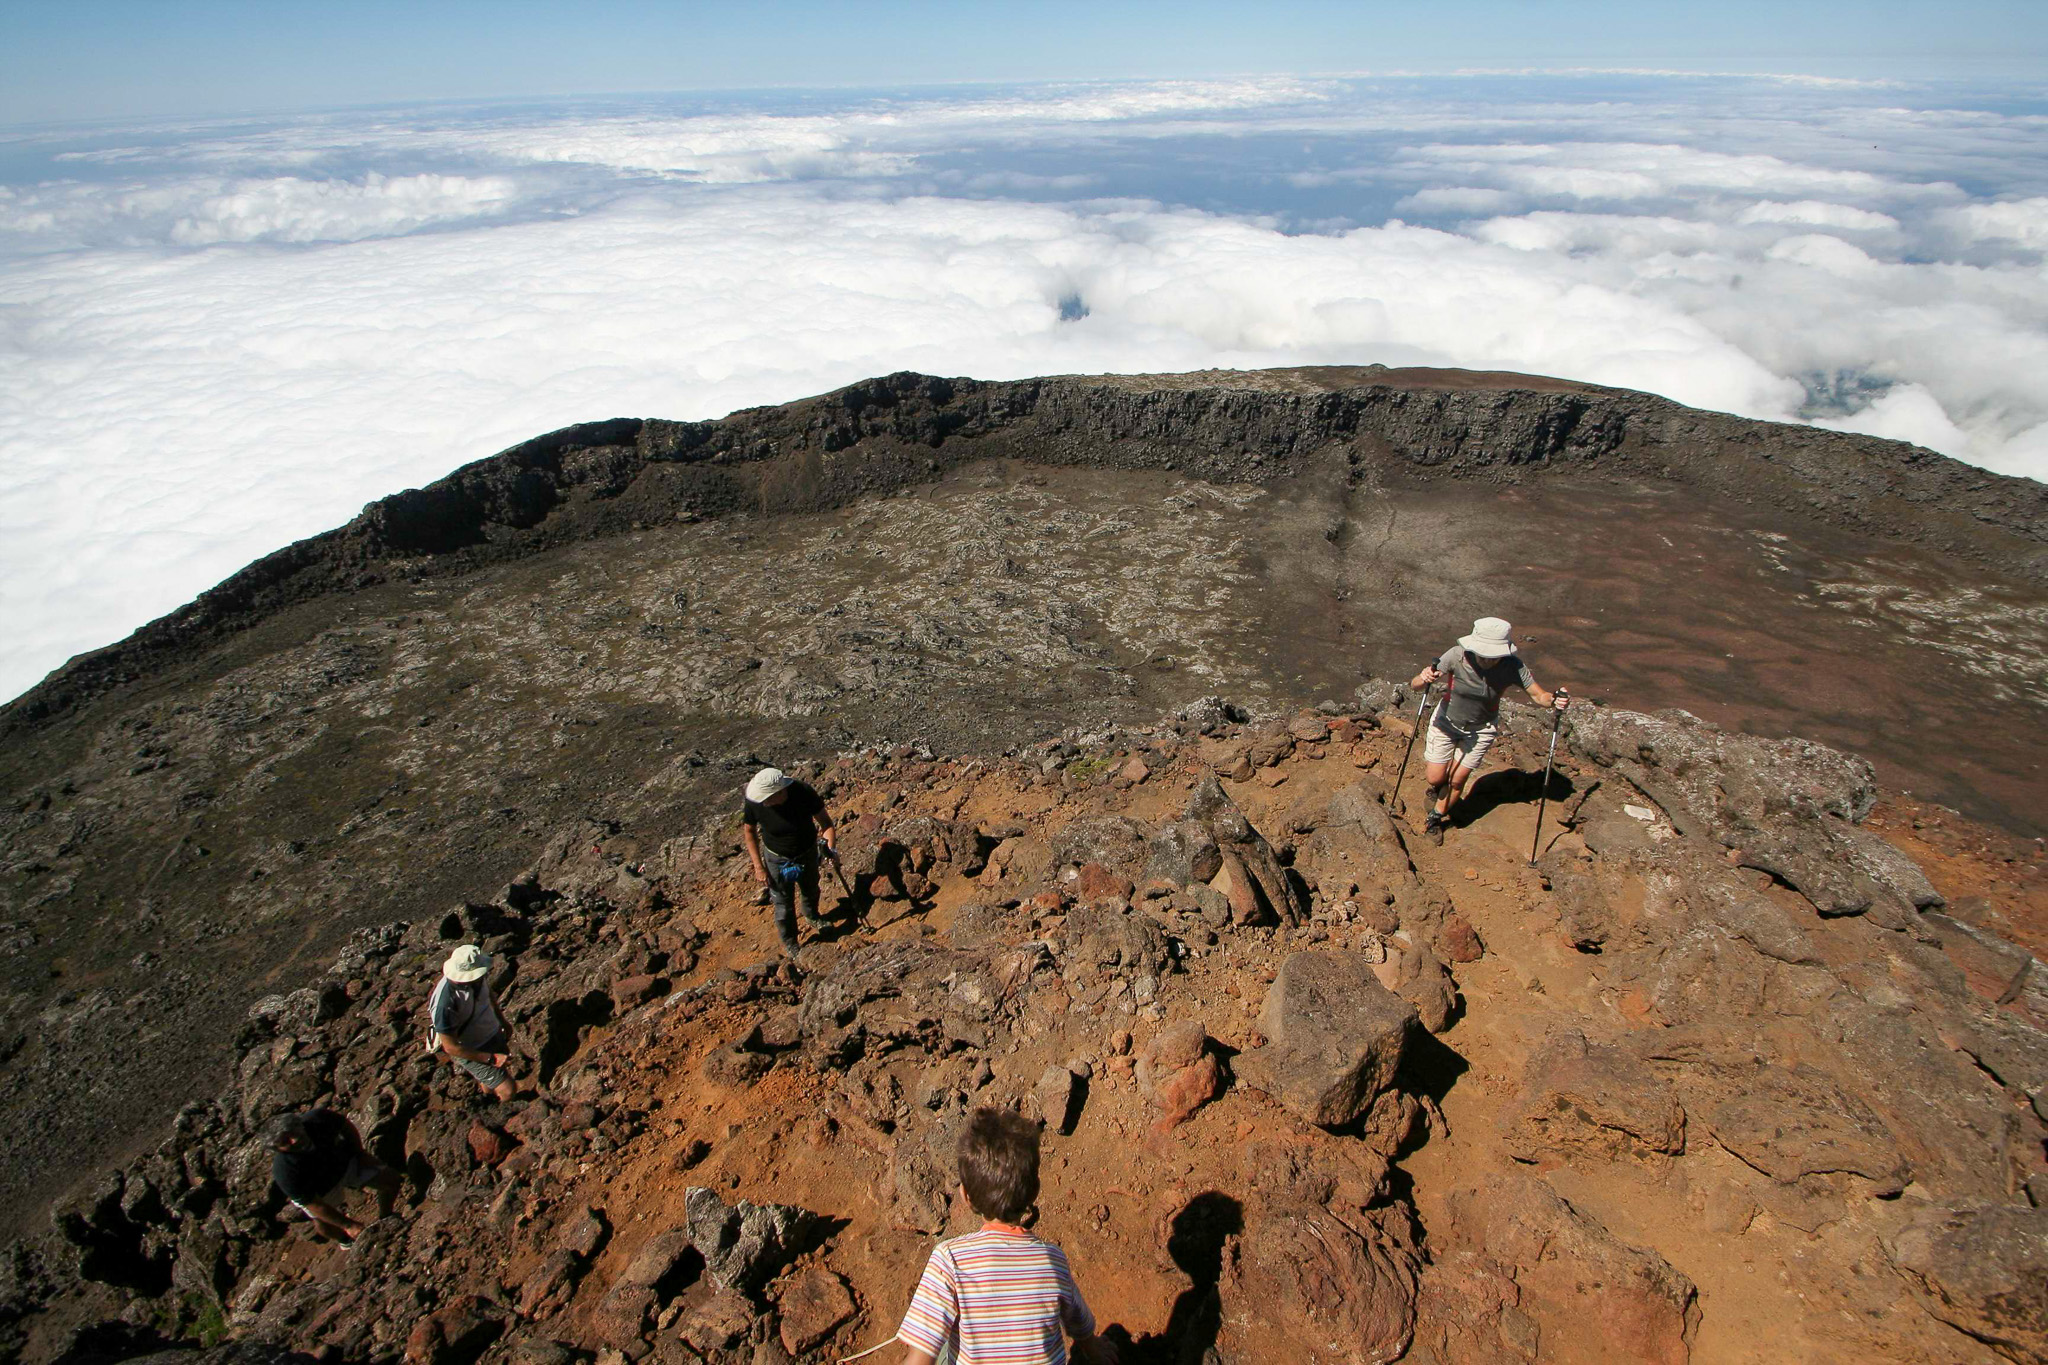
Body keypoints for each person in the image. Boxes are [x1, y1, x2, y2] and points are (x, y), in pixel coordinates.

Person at [897, 1107, 1117, 1365]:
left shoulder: (949, 1260)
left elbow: (920, 1358)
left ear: (965, 1196)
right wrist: (1094, 1349)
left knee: (942, 1340)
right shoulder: (1053, 1259)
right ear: (1034, 1191)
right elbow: (1078, 1322)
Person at [1408, 616, 1568, 836]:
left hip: (1480, 730)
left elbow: (1539, 696)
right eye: (1484, 654)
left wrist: (1554, 701)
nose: (1489, 660)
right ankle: (1438, 788)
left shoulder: (1513, 666)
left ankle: (1436, 817)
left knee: (1457, 780)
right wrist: (1424, 677)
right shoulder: (1456, 655)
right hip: (1446, 722)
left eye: (1495, 655)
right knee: (1435, 778)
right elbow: (1415, 685)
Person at [740, 766, 837, 961]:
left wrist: (830, 849)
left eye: (768, 798)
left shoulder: (803, 792)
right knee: (783, 903)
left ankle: (812, 916)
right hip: (776, 858)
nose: (764, 802)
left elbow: (826, 823)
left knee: (811, 889)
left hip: (808, 852)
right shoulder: (756, 802)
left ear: (781, 792)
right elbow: (749, 832)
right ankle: (791, 942)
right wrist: (759, 867)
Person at [267, 1107, 398, 1246]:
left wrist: (359, 1153)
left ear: (299, 1123)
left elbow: (346, 1126)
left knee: (389, 1179)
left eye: (293, 1131)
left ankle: (386, 1216)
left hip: (343, 1162)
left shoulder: (319, 1118)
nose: (294, 1139)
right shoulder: (284, 1171)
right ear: (278, 1149)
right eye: (285, 1141)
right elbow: (314, 1204)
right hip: (320, 1192)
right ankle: (345, 1240)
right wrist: (348, 1225)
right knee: (324, 1222)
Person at [430, 943, 516, 1102]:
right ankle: (504, 1109)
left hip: (491, 1032)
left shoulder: (476, 979)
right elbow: (451, 1047)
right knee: (508, 1090)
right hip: (470, 1047)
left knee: (491, 1078)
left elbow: (488, 995)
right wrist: (491, 1058)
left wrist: (502, 1021)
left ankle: (488, 1099)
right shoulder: (445, 1003)